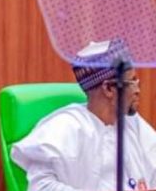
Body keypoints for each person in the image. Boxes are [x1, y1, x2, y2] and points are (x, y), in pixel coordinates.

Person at [11, 40, 156, 190]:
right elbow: (41, 186)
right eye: (131, 82)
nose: (137, 90)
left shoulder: (131, 122)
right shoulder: (66, 127)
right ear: (108, 89)